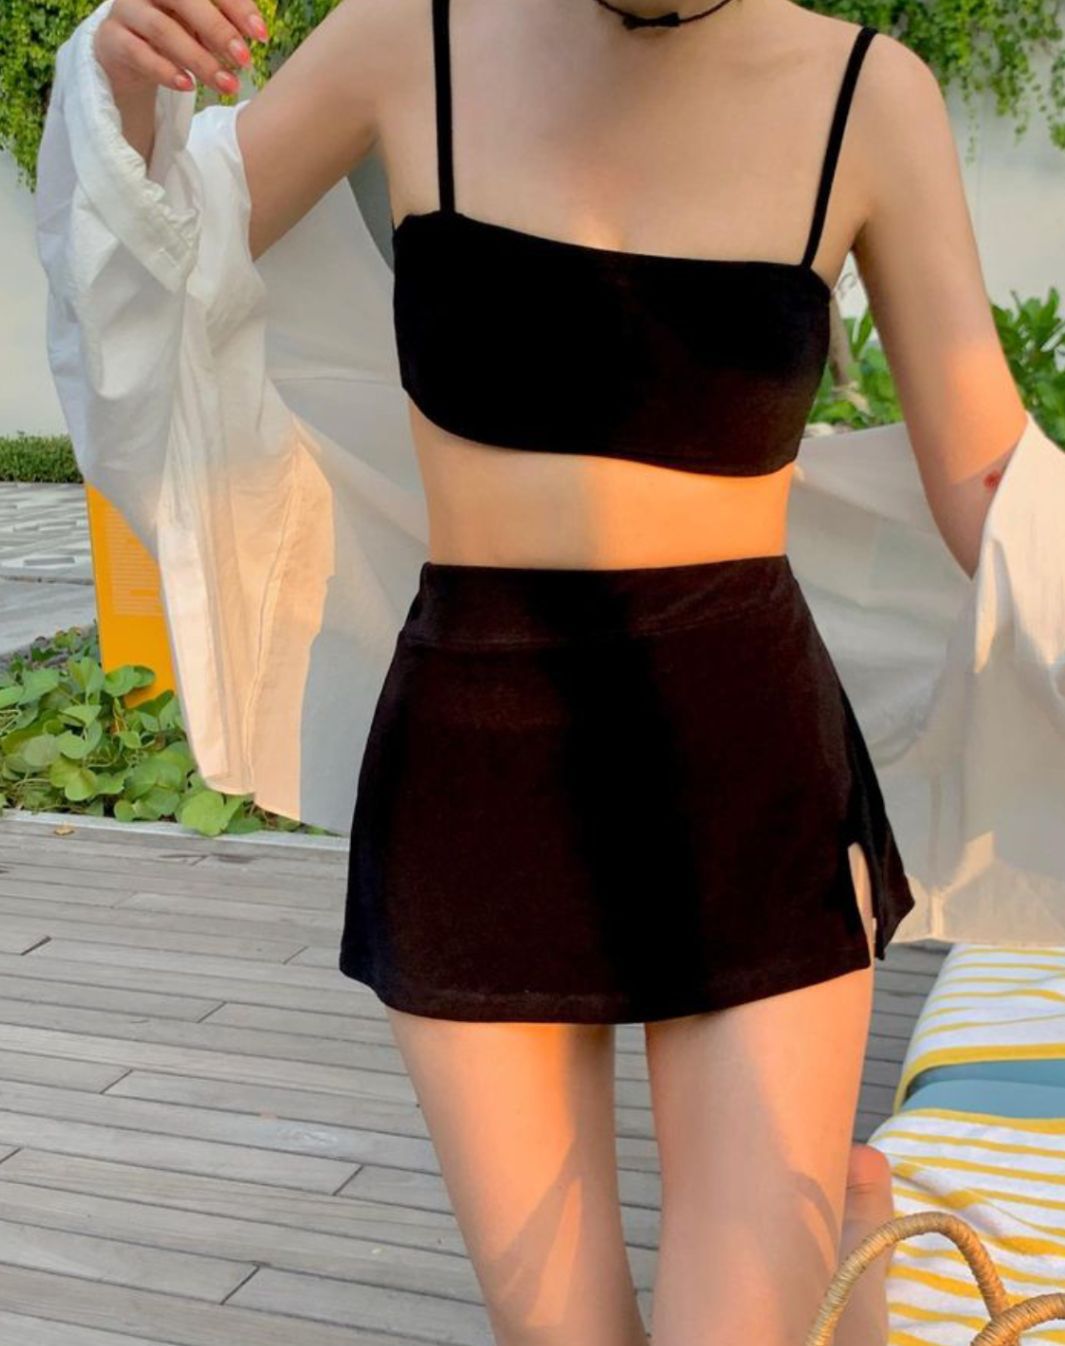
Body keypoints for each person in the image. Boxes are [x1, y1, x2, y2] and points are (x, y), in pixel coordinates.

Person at [63, 0, 1034, 1341]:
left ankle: (837, 1229)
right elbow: (158, 255)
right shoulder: (410, 35)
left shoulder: (869, 93)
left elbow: (985, 474)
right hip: (477, 773)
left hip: (745, 768)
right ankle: (842, 1223)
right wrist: (124, 85)